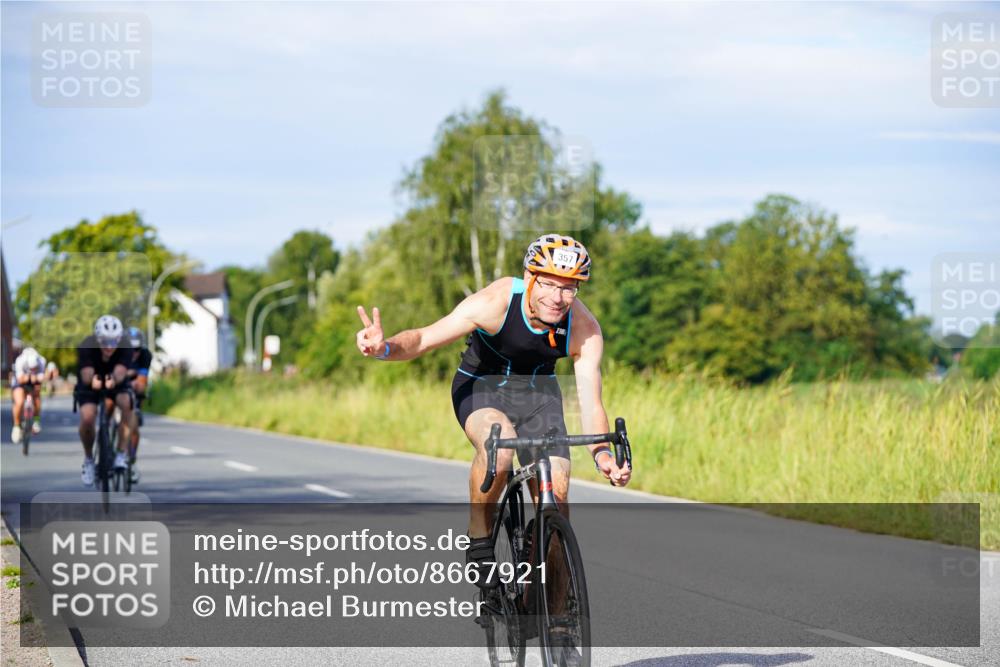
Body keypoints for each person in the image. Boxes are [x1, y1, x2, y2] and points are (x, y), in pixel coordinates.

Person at [355, 233, 632, 585]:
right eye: (548, 284)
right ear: (529, 278)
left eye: (568, 288)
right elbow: (423, 339)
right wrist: (384, 348)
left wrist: (602, 454)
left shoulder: (584, 328)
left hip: (538, 398)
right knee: (498, 453)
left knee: (558, 497)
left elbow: (591, 402)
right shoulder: (496, 301)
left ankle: (550, 609)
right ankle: (479, 537)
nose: (557, 297)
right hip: (482, 387)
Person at [74, 315, 134, 486]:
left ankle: (121, 453)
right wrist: (92, 380)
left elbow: (121, 371)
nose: (109, 347)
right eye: (105, 342)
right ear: (97, 338)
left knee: (127, 404)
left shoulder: (126, 345)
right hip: (90, 382)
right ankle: (88, 460)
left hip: (115, 382)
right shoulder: (87, 345)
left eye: (114, 342)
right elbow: (86, 374)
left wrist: (113, 379)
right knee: (88, 417)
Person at [125, 326, 152, 484]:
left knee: (133, 426)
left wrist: (135, 382)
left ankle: (132, 460)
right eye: (130, 349)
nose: (134, 353)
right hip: (116, 390)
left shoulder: (145, 355)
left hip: (133, 392)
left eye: (137, 349)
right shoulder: (116, 354)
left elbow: (141, 383)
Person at [10, 347, 46, 445]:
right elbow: (20, 379)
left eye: (35, 368)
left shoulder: (42, 361)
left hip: (34, 381)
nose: (33, 370)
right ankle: (16, 426)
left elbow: (42, 378)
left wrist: (36, 379)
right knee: (19, 401)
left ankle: (36, 421)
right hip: (20, 381)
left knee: (37, 396)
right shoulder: (20, 361)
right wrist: (30, 377)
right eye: (31, 368)